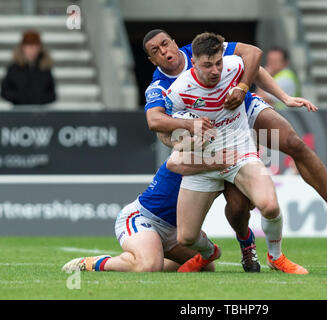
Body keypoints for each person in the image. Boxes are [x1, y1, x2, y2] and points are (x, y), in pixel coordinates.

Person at [165, 32, 308, 274]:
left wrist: (282, 96)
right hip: (204, 160)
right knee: (186, 238)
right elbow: (166, 134)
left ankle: (275, 257)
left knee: (270, 206)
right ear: (193, 63)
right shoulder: (178, 91)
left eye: (218, 63)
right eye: (207, 65)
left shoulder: (233, 66)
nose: (215, 71)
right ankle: (210, 252)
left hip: (239, 153)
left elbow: (257, 70)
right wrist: (189, 135)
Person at [62, 148, 238, 273]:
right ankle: (95, 263)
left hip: (175, 231)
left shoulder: (228, 165)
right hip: (142, 218)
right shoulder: (191, 152)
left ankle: (147, 256)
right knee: (148, 266)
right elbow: (174, 159)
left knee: (206, 267)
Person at [0, 30, 56, 105]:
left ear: (39, 48)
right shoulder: (14, 68)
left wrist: (39, 99)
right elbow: (5, 92)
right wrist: (19, 98)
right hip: (19, 112)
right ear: (23, 47)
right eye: (29, 46)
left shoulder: (45, 69)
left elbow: (52, 94)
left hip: (39, 112)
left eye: (35, 46)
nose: (32, 49)